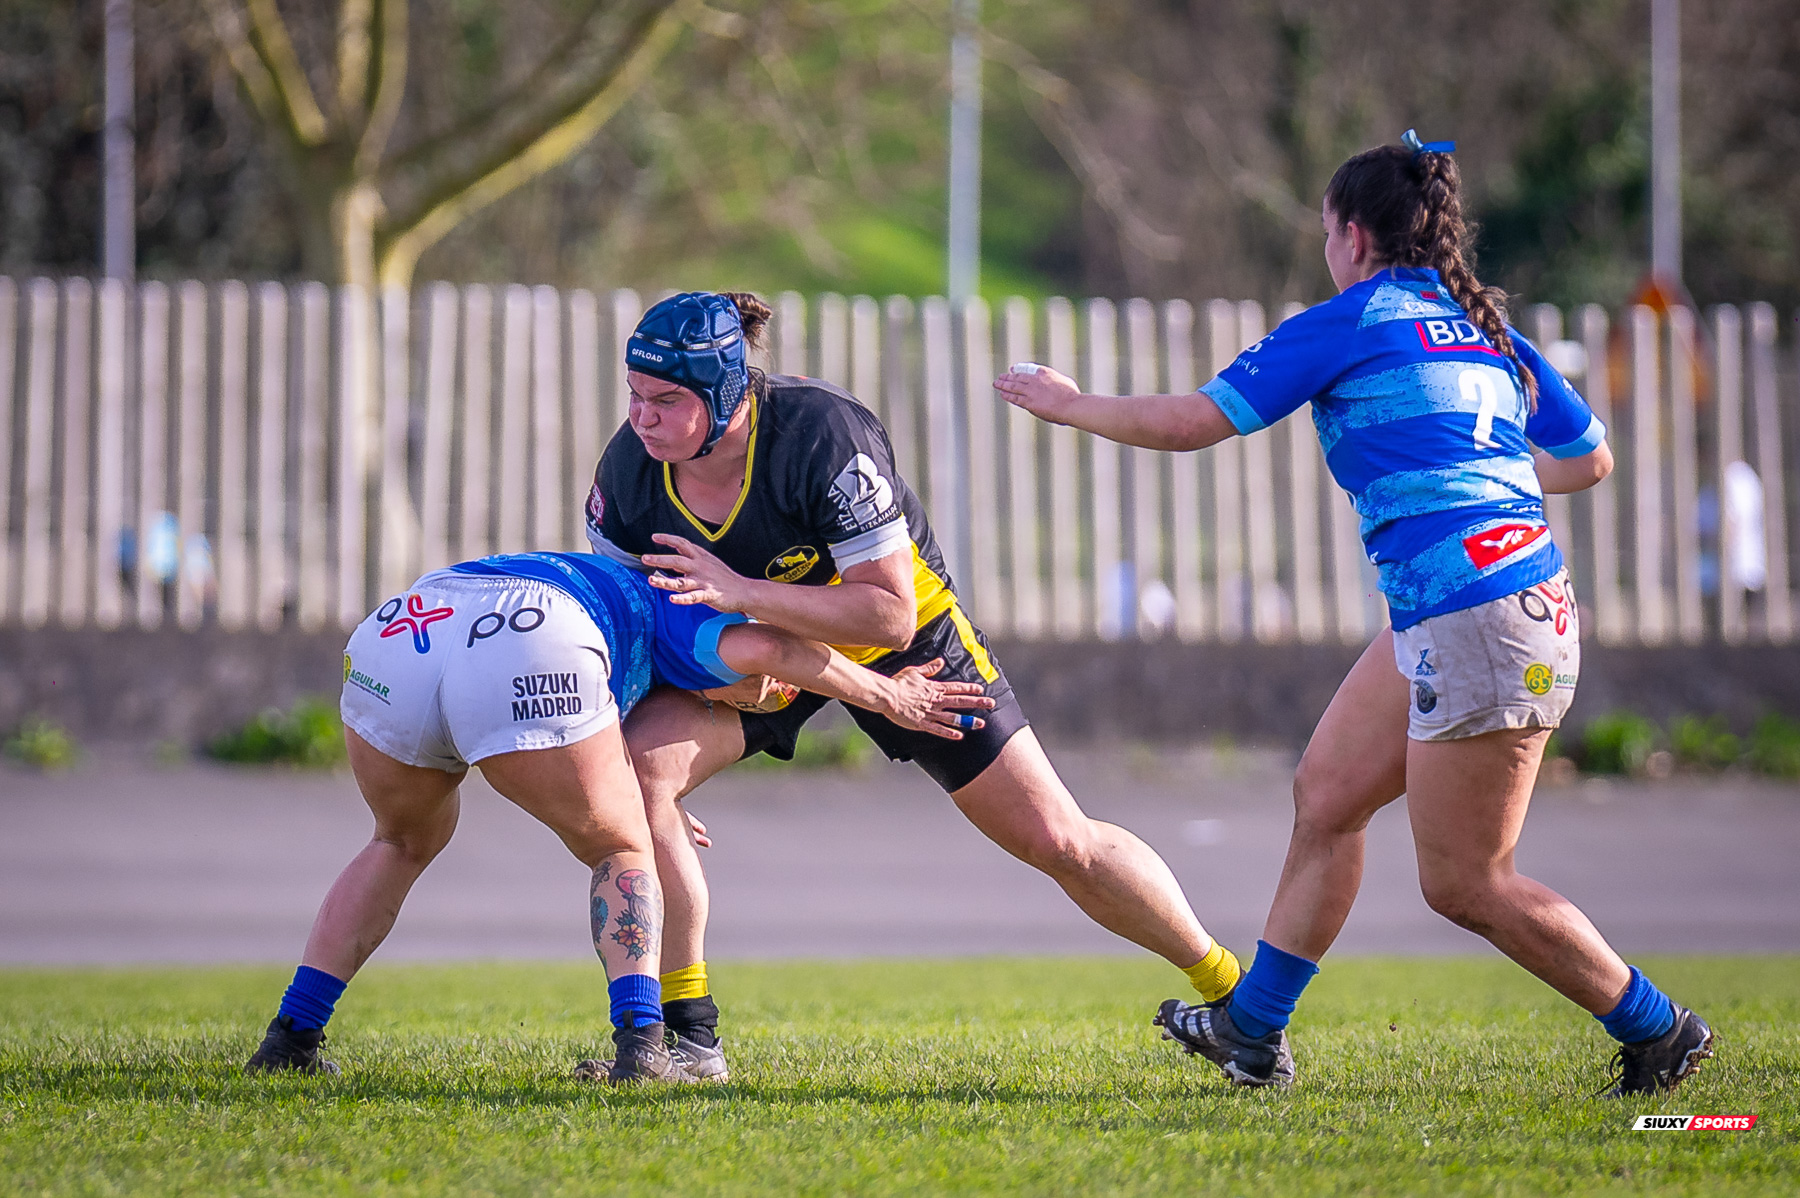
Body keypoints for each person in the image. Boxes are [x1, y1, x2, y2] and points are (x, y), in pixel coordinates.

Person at [997, 131, 1712, 1096]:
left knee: (1467, 884)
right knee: (1327, 800)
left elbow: (1190, 422)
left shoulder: (1348, 320)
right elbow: (1591, 458)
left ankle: (1659, 1028)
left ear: (1351, 232)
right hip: (1473, 605)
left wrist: (1070, 404)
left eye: (1325, 229)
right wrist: (1490, 481)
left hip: (1482, 617)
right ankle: (1252, 1030)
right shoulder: (1486, 326)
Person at [587, 291, 1244, 1082]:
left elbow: (889, 615)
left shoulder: (822, 434)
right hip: (755, 649)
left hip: (905, 648)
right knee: (637, 772)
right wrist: (677, 743)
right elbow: (628, 629)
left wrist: (743, 591)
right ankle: (687, 1042)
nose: (642, 417)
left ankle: (1234, 998)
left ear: (727, 391)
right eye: (633, 393)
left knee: (1057, 840)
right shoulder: (630, 469)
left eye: (665, 400)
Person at [243, 549, 989, 1084]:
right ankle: (642, 1049)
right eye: (759, 695)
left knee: (401, 841)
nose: (757, 697)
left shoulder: (619, 591)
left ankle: (291, 1036)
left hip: (401, 631)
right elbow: (769, 646)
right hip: (530, 636)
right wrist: (891, 696)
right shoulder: (693, 615)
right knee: (622, 847)